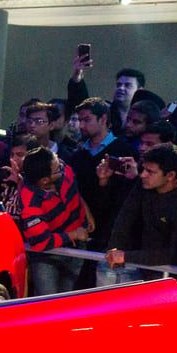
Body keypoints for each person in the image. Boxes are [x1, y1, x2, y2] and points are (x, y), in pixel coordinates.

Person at [101, 144, 177, 286]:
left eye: (150, 171)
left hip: (174, 278)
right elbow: (125, 218)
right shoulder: (143, 185)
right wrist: (114, 249)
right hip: (140, 265)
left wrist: (126, 256)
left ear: (170, 175)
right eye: (143, 169)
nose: (142, 175)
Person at [17, 147, 90, 295]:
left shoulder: (63, 168)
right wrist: (74, 234)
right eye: (57, 168)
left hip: (77, 247)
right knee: (48, 303)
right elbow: (42, 241)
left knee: (67, 299)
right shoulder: (29, 203)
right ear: (45, 180)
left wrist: (87, 212)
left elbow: (75, 191)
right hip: (47, 255)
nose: (63, 167)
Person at [66, 97, 134, 252]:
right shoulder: (77, 155)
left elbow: (124, 195)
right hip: (79, 229)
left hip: (110, 231)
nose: (81, 125)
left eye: (87, 120)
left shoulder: (124, 151)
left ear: (103, 119)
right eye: (80, 120)